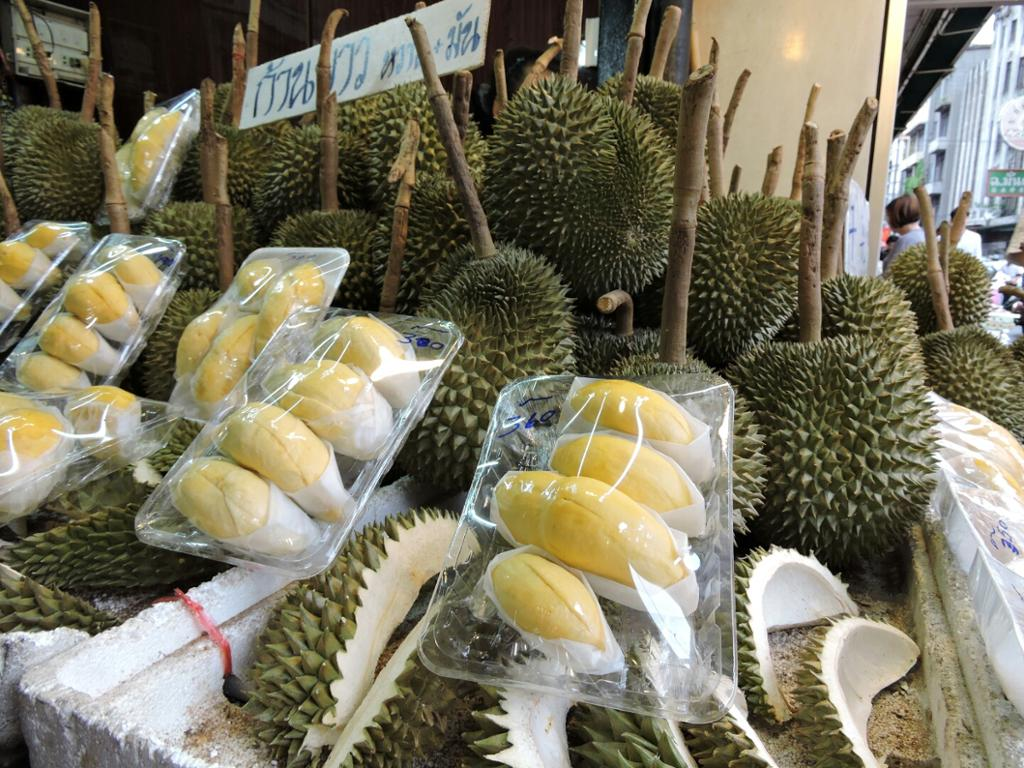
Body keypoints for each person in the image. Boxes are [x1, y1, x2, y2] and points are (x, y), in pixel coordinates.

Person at [882, 195, 925, 272]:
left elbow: (891, 273)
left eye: (888, 216)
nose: (887, 220)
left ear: (896, 216)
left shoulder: (907, 240)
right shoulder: (921, 235)